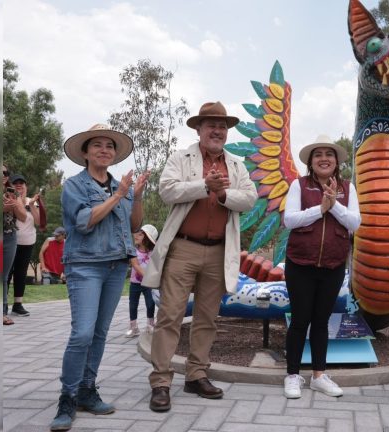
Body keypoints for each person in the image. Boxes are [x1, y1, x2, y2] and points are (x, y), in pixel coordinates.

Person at [143, 101, 256, 412]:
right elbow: (167, 191)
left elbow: (249, 198)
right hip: (183, 247)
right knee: (170, 316)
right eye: (211, 124)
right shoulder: (181, 158)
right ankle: (161, 381)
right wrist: (203, 185)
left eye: (222, 126)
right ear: (198, 128)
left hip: (219, 250)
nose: (217, 130)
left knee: (207, 318)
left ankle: (196, 374)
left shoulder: (237, 165)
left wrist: (221, 194)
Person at [50, 123, 148, 431]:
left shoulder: (121, 186)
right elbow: (84, 222)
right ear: (85, 153)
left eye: (109, 146)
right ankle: (67, 396)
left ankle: (86, 390)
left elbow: (134, 224)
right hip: (85, 265)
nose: (104, 150)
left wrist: (137, 196)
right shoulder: (74, 186)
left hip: (115, 266)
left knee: (100, 333)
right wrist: (120, 194)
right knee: (82, 333)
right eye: (97, 145)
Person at [281, 135, 361, 399]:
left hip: (333, 265)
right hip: (300, 264)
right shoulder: (299, 185)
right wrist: (320, 208)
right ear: (311, 162)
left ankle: (318, 375)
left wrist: (333, 204)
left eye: (329, 154)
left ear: (336, 161)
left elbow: (354, 223)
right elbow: (290, 220)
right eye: (318, 154)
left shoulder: (348, 189)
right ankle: (292, 375)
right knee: (299, 320)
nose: (324, 158)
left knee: (321, 322)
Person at [7, 173, 42, 317]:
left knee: (21, 273)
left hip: (27, 243)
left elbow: (39, 222)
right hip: (9, 242)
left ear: (26, 187)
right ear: (10, 186)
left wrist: (32, 205)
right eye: (16, 183)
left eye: (22, 183)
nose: (19, 185)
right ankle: (2, 305)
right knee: (6, 273)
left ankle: (18, 304)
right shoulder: (8, 200)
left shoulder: (31, 201)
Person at [2, 165, 26, 326]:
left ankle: (1, 312)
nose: (3, 175)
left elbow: (23, 217)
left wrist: (15, 205)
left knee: (2, 276)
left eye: (5, 173)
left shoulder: (12, 192)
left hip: (9, 236)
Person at [126, 224, 158, 338]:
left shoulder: (153, 252)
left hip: (148, 284)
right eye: (136, 233)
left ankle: (150, 324)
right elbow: (135, 265)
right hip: (135, 283)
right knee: (133, 305)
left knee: (150, 304)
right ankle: (133, 327)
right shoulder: (133, 250)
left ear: (147, 238)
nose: (136, 236)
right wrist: (148, 277)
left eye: (140, 234)